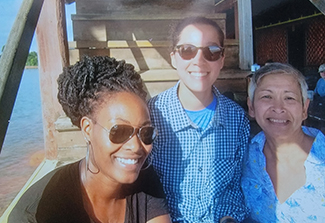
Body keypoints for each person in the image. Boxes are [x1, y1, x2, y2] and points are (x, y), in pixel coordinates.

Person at [8, 56, 171, 223]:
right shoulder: (37, 213)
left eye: (145, 132)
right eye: (120, 131)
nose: (136, 146)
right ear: (87, 129)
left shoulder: (144, 179)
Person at [148, 16, 250, 223]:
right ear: (173, 58)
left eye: (211, 51)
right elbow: (141, 185)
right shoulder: (150, 116)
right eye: (187, 50)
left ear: (221, 59)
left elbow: (233, 188)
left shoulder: (237, 120)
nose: (199, 60)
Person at [242, 62, 325, 222]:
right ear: (251, 107)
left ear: (304, 109)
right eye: (267, 96)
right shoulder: (245, 157)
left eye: (289, 98)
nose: (278, 108)